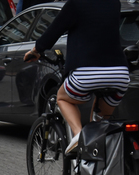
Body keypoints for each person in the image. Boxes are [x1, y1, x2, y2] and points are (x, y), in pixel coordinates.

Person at [24, 0, 130, 154]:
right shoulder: (114, 3)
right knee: (102, 120)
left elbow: (54, 31)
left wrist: (36, 50)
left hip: (86, 73)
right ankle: (99, 161)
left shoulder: (75, 4)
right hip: (119, 74)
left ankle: (78, 135)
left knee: (62, 98)